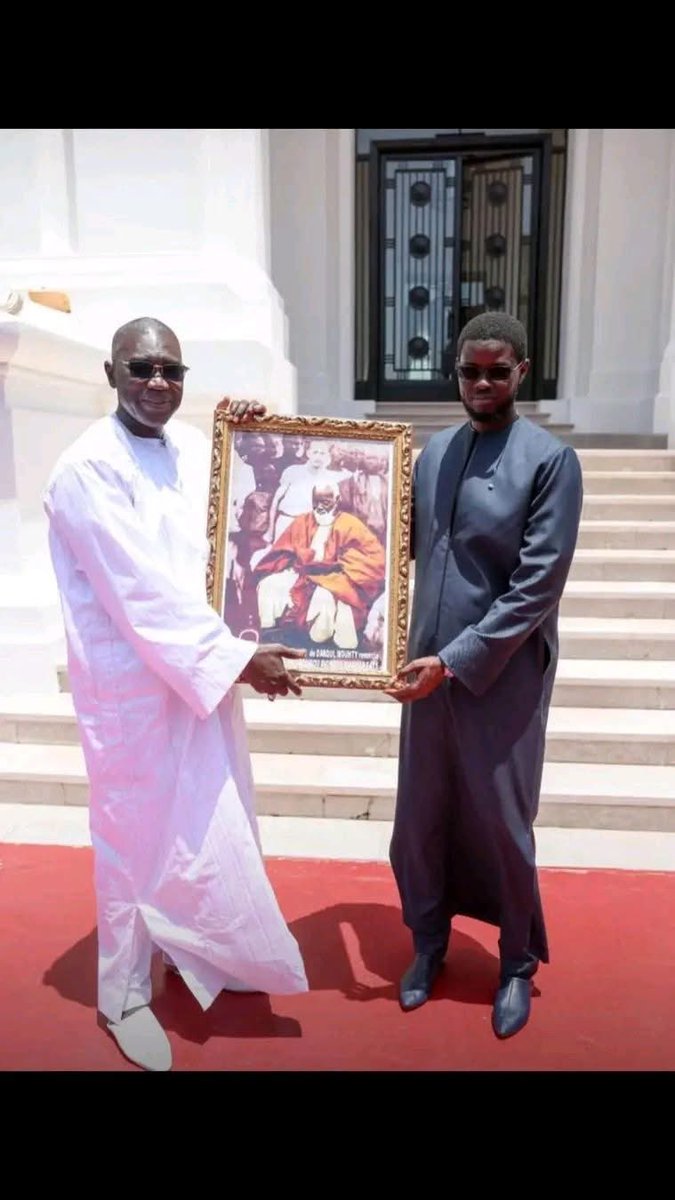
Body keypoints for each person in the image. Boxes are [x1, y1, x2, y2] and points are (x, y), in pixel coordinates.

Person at [43, 316, 308, 1072]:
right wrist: (236, 660)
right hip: (131, 687)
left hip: (199, 672)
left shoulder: (191, 448)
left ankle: (212, 949)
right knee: (134, 837)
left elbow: (239, 533)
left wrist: (248, 444)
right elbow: (139, 591)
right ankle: (124, 993)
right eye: (141, 368)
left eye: (171, 370)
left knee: (211, 812)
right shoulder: (85, 468)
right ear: (111, 374)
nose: (157, 382)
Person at [385, 311, 583, 1039]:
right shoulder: (434, 453)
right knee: (422, 814)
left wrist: (457, 660)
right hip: (424, 671)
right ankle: (427, 940)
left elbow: (537, 586)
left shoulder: (550, 462)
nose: (482, 383)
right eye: (470, 371)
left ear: (521, 373)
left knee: (502, 820)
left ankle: (516, 963)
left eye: (497, 372)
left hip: (501, 674)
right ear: (455, 373)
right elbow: (386, 540)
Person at [253, 483, 386, 651]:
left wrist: (338, 564)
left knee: (324, 596)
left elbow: (373, 560)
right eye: (316, 502)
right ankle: (271, 636)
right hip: (303, 573)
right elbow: (283, 551)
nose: (320, 507)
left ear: (337, 500)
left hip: (335, 576)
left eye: (326, 502)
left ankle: (318, 644)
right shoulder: (303, 521)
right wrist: (293, 562)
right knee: (269, 584)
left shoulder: (351, 524)